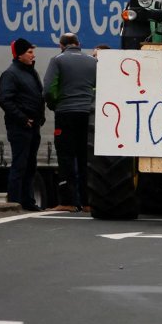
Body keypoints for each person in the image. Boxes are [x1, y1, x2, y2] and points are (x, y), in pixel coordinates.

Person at [43, 33, 97, 213]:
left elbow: (49, 89)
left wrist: (54, 105)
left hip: (66, 114)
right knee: (86, 159)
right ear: (78, 43)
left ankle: (68, 201)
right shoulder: (92, 61)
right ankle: (88, 202)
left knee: (66, 158)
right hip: (88, 114)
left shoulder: (57, 60)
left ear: (61, 45)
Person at [0, 39, 46, 211]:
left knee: (30, 165)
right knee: (20, 164)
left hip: (33, 126)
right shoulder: (11, 74)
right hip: (20, 127)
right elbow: (4, 99)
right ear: (19, 55)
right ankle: (14, 201)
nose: (33, 55)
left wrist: (40, 117)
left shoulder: (31, 73)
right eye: (29, 52)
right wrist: (22, 118)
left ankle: (28, 200)